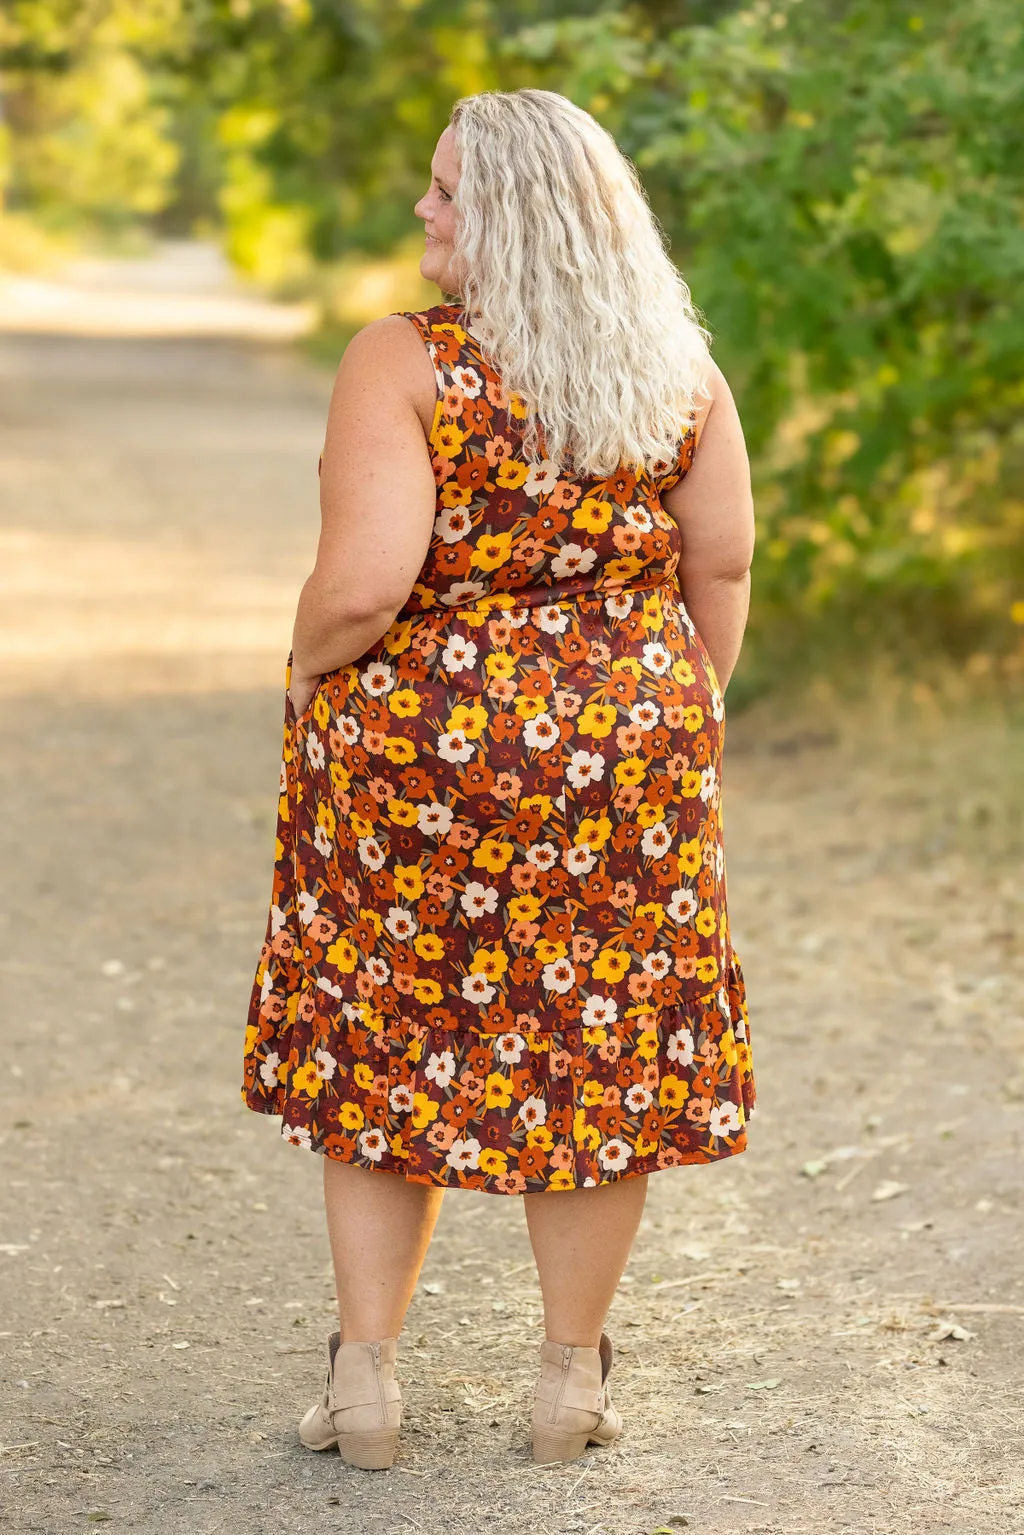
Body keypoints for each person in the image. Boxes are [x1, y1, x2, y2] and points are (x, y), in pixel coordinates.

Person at [242, 87, 756, 1470]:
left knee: (384, 1035)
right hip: (628, 757)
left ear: (516, 216)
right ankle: (568, 1384)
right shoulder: (678, 373)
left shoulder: (405, 363)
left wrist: (300, 667)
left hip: (421, 760)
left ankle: (365, 1386)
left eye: (449, 192)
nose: (425, 209)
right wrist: (678, 705)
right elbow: (721, 561)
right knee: (597, 1052)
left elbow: (361, 586)